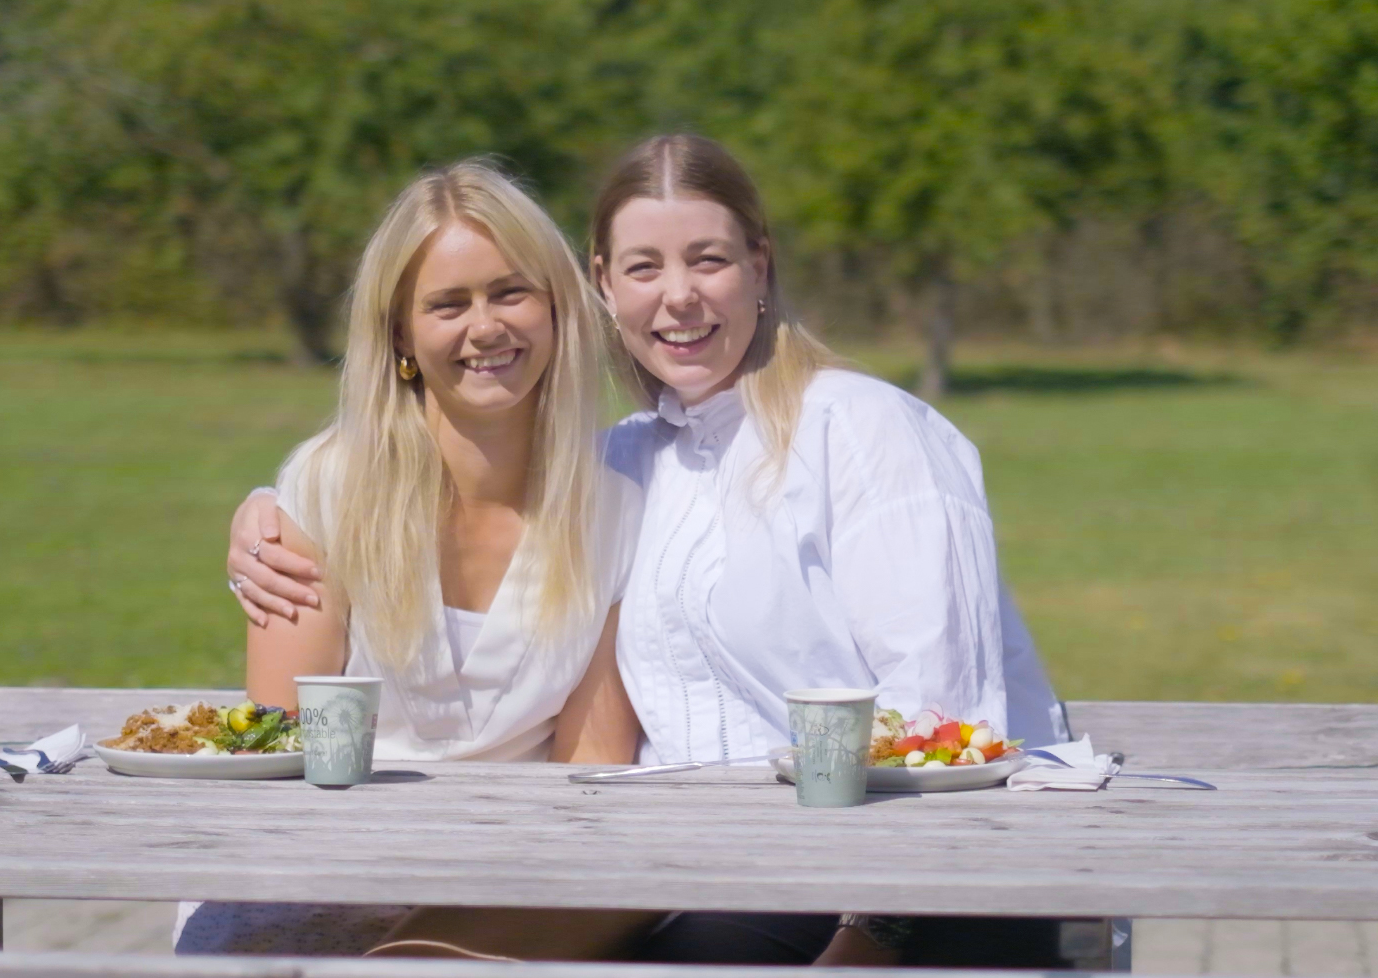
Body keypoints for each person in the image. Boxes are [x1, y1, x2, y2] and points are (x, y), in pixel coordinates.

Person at [226, 135, 1070, 967]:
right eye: (642, 268)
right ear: (600, 286)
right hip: (701, 874)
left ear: (760, 266)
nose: (679, 298)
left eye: (707, 260)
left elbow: (950, 725)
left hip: (890, 885)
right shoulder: (630, 463)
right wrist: (275, 508)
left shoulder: (861, 431)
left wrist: (871, 938)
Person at [184, 159, 657, 960]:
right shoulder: (324, 494)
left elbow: (591, 776)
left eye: (511, 292)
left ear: (555, 308)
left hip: (512, 897)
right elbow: (280, 753)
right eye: (448, 304)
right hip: (323, 879)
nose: (485, 328)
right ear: (401, 332)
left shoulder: (614, 512)